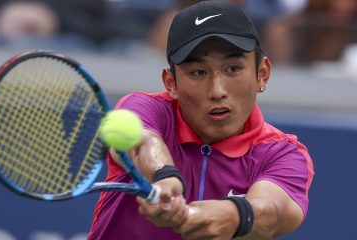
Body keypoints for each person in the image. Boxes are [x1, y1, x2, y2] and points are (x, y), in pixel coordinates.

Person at [88, 1, 314, 240]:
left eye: (233, 69)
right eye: (198, 72)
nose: (217, 91)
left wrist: (234, 215)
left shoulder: (283, 154)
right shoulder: (145, 109)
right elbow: (142, 142)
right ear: (171, 83)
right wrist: (165, 178)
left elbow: (273, 213)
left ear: (262, 74)